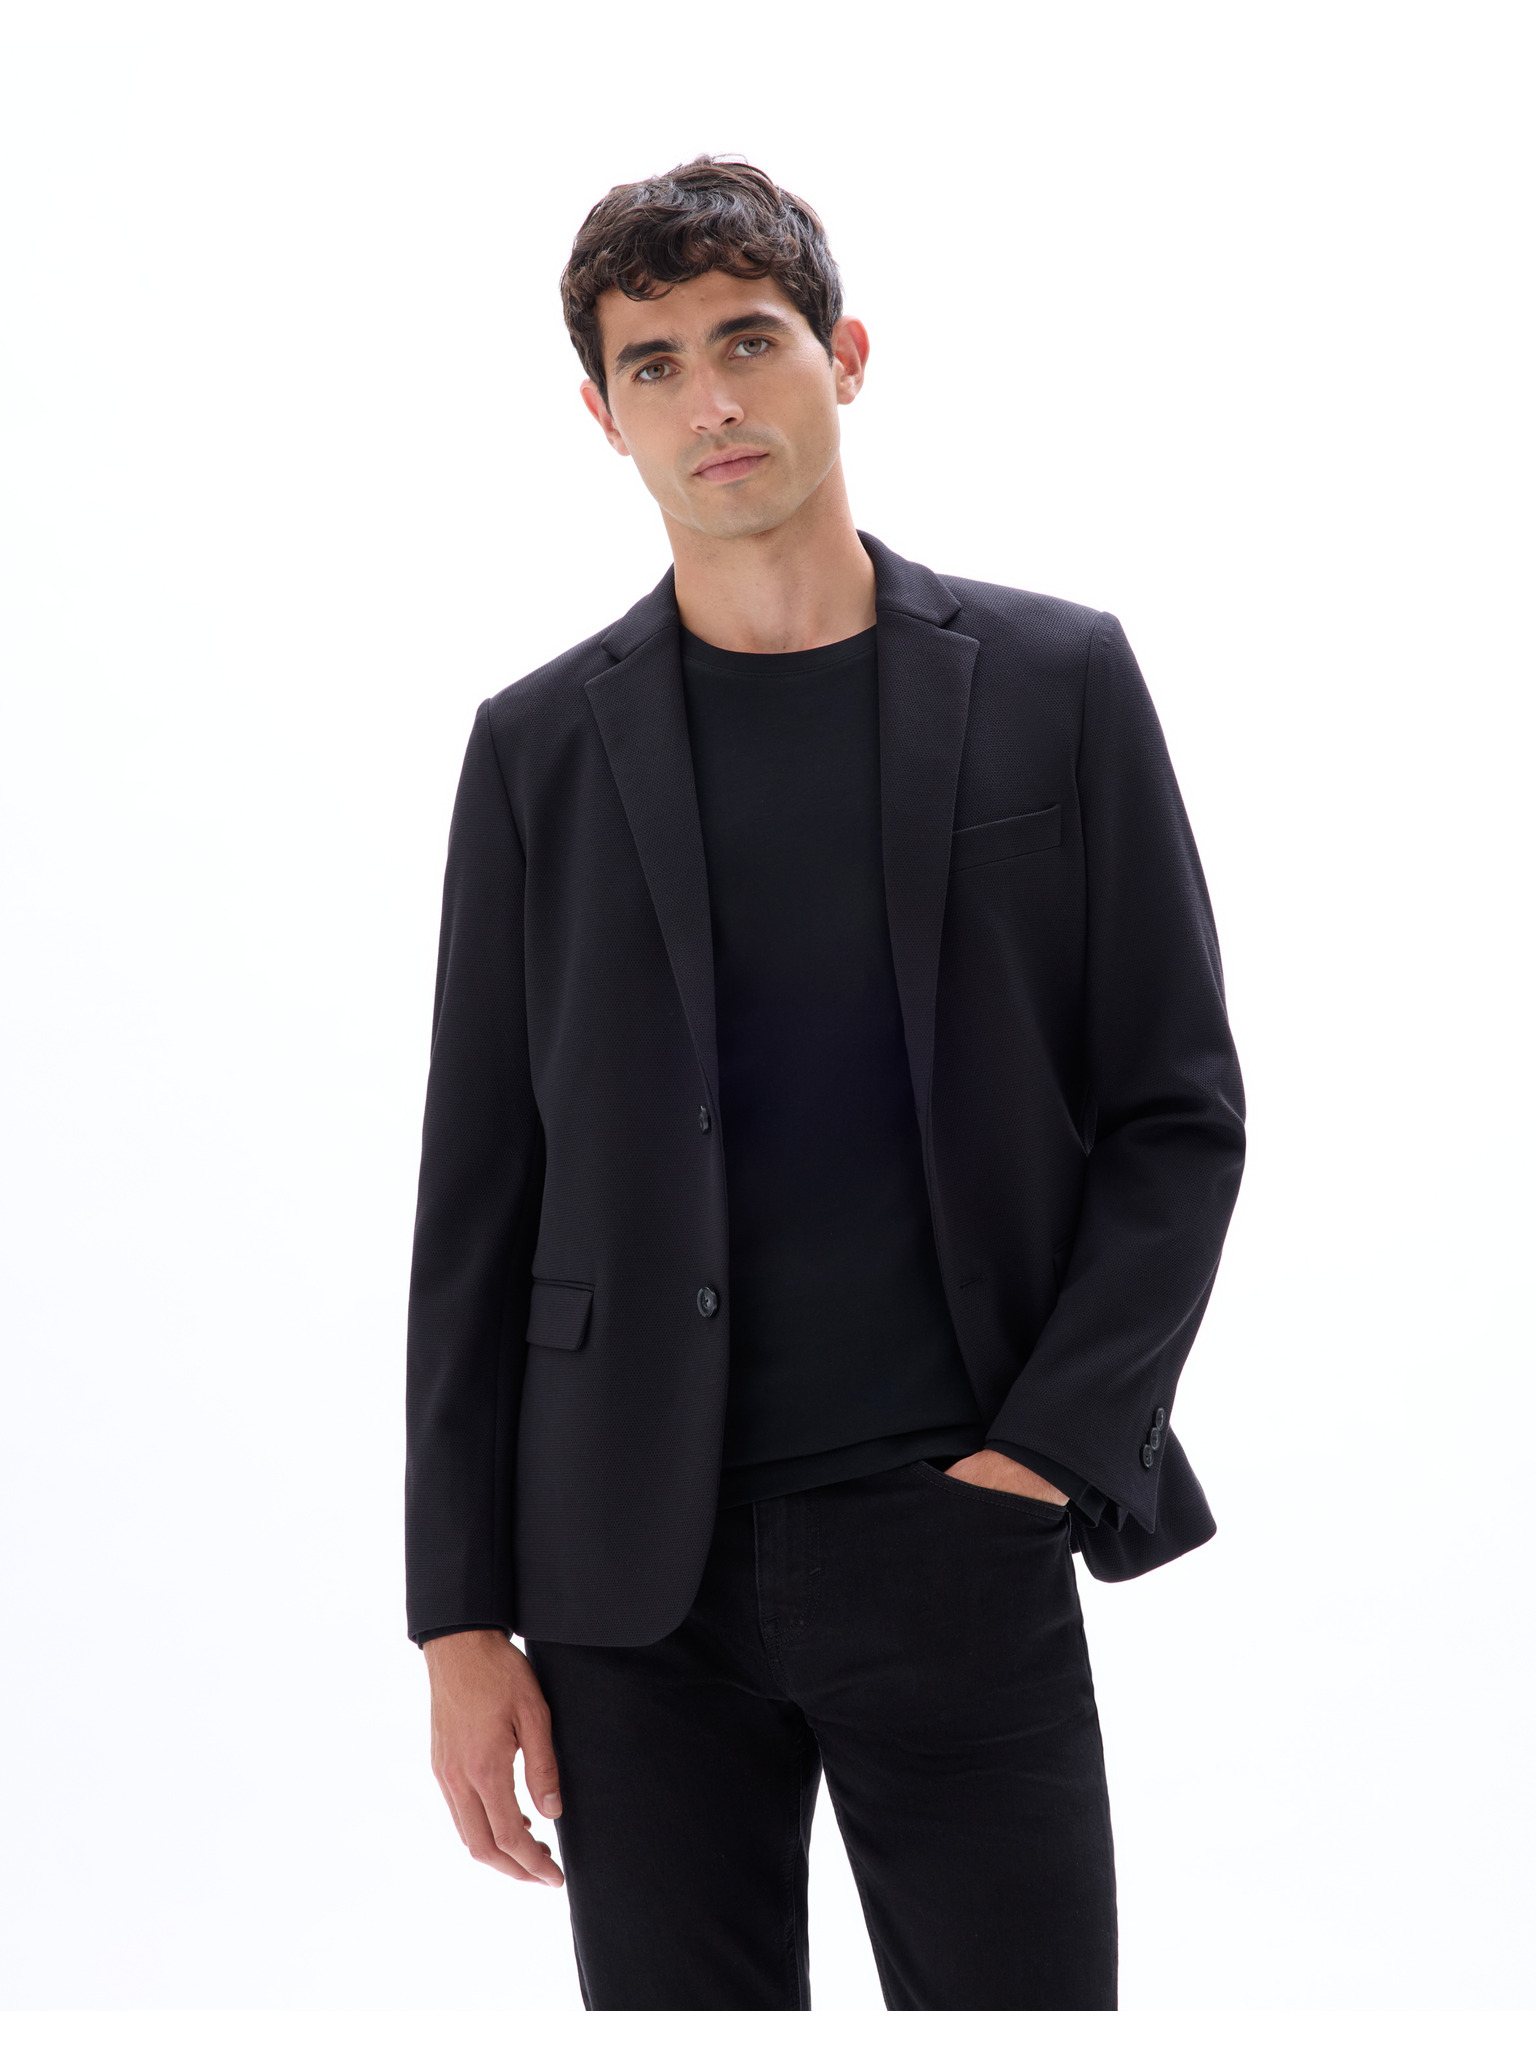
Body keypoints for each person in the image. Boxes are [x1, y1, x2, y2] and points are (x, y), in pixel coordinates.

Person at [405, 156, 1245, 2012]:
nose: (709, 401)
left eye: (748, 342)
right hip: (630, 1578)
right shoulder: (537, 751)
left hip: (958, 1530)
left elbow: (1178, 1114)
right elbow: (478, 1198)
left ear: (842, 357)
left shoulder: (1054, 681)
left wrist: (1044, 1459)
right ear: (602, 415)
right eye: (652, 366)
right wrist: (459, 1618)